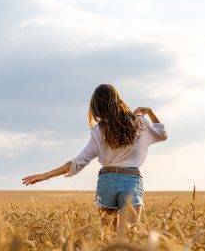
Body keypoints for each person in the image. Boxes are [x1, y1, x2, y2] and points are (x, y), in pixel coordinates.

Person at [22, 84, 168, 230]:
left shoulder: (98, 130)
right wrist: (149, 112)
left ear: (96, 107)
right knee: (130, 232)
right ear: (118, 101)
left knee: (107, 235)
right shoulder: (139, 122)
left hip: (107, 181)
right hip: (130, 180)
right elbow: (162, 135)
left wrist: (46, 175)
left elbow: (78, 161)